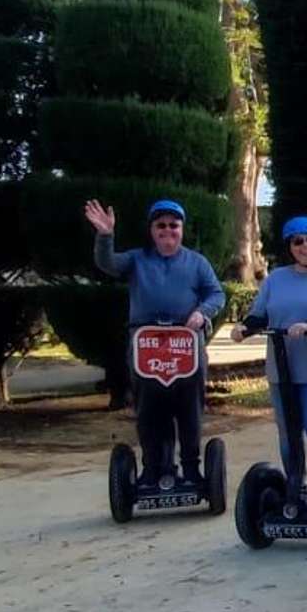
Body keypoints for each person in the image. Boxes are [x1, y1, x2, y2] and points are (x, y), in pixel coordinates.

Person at [84, 198, 224, 489]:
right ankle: (153, 468)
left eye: (174, 225)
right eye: (161, 225)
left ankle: (191, 468)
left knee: (188, 408)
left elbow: (216, 294)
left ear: (182, 229)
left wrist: (202, 312)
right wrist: (105, 236)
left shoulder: (197, 262)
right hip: (146, 344)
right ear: (152, 230)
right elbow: (107, 264)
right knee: (149, 409)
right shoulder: (137, 259)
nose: (168, 230)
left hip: (185, 343)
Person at [231, 217, 307, 500]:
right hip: (282, 371)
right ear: (290, 246)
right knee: (288, 432)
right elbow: (260, 315)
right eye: (298, 241)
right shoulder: (276, 279)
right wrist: (244, 329)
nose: (305, 246)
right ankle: (295, 486)